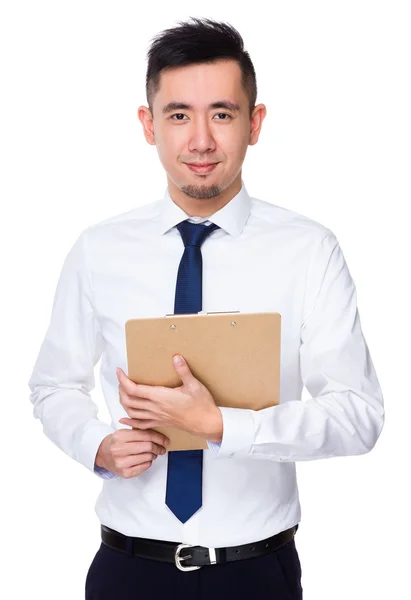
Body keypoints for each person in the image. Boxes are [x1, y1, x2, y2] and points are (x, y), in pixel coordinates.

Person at [28, 16, 385, 600]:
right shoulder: (99, 250)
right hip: (126, 570)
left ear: (255, 123)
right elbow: (52, 386)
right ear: (148, 125)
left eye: (222, 113)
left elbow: (358, 415)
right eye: (178, 115)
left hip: (256, 574)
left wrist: (220, 425)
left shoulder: (309, 250)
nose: (200, 140)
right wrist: (97, 444)